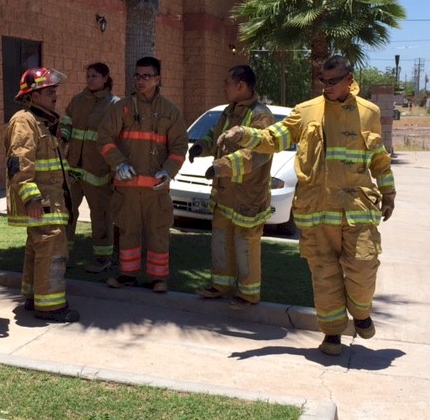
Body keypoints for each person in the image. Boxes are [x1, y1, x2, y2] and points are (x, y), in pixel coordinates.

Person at [218, 55, 396, 355]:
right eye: (323, 80)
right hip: (316, 210)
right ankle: (332, 334)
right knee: (324, 276)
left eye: (334, 81)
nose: (327, 86)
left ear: (349, 80)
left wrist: (388, 192)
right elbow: (274, 138)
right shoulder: (306, 111)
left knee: (364, 266)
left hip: (357, 208)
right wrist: (244, 134)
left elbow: (379, 157)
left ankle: (361, 313)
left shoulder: (370, 112)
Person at [97, 56, 188, 293]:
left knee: (158, 233)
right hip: (126, 188)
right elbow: (104, 138)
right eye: (137, 76)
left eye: (146, 76)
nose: (140, 80)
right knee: (128, 231)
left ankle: (158, 278)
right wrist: (118, 163)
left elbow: (179, 147)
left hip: (156, 190)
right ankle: (127, 275)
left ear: (158, 79)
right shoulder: (121, 108)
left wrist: (169, 171)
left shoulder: (170, 111)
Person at [189, 65, 274, 309]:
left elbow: (257, 154)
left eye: (227, 82)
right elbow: (216, 137)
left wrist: (220, 167)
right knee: (221, 239)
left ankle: (248, 294)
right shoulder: (229, 111)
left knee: (246, 244)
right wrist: (201, 146)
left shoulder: (261, 116)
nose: (223, 87)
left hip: (248, 196)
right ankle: (221, 285)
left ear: (241, 85)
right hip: (225, 195)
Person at [4, 67, 80, 323]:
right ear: (34, 96)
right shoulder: (24, 121)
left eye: (55, 91)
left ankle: (34, 295)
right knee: (52, 248)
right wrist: (31, 197)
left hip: (50, 199)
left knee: (38, 248)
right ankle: (50, 306)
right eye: (49, 92)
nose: (55, 96)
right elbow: (19, 162)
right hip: (42, 200)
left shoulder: (42, 121)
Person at [59, 63, 119, 273]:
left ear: (105, 78)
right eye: (88, 76)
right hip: (73, 168)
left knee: (101, 215)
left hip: (99, 171)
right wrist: (64, 135)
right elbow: (66, 121)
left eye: (94, 76)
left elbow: (118, 139)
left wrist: (114, 169)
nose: (90, 79)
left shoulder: (114, 105)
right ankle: (62, 255)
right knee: (66, 212)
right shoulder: (77, 100)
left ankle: (103, 258)